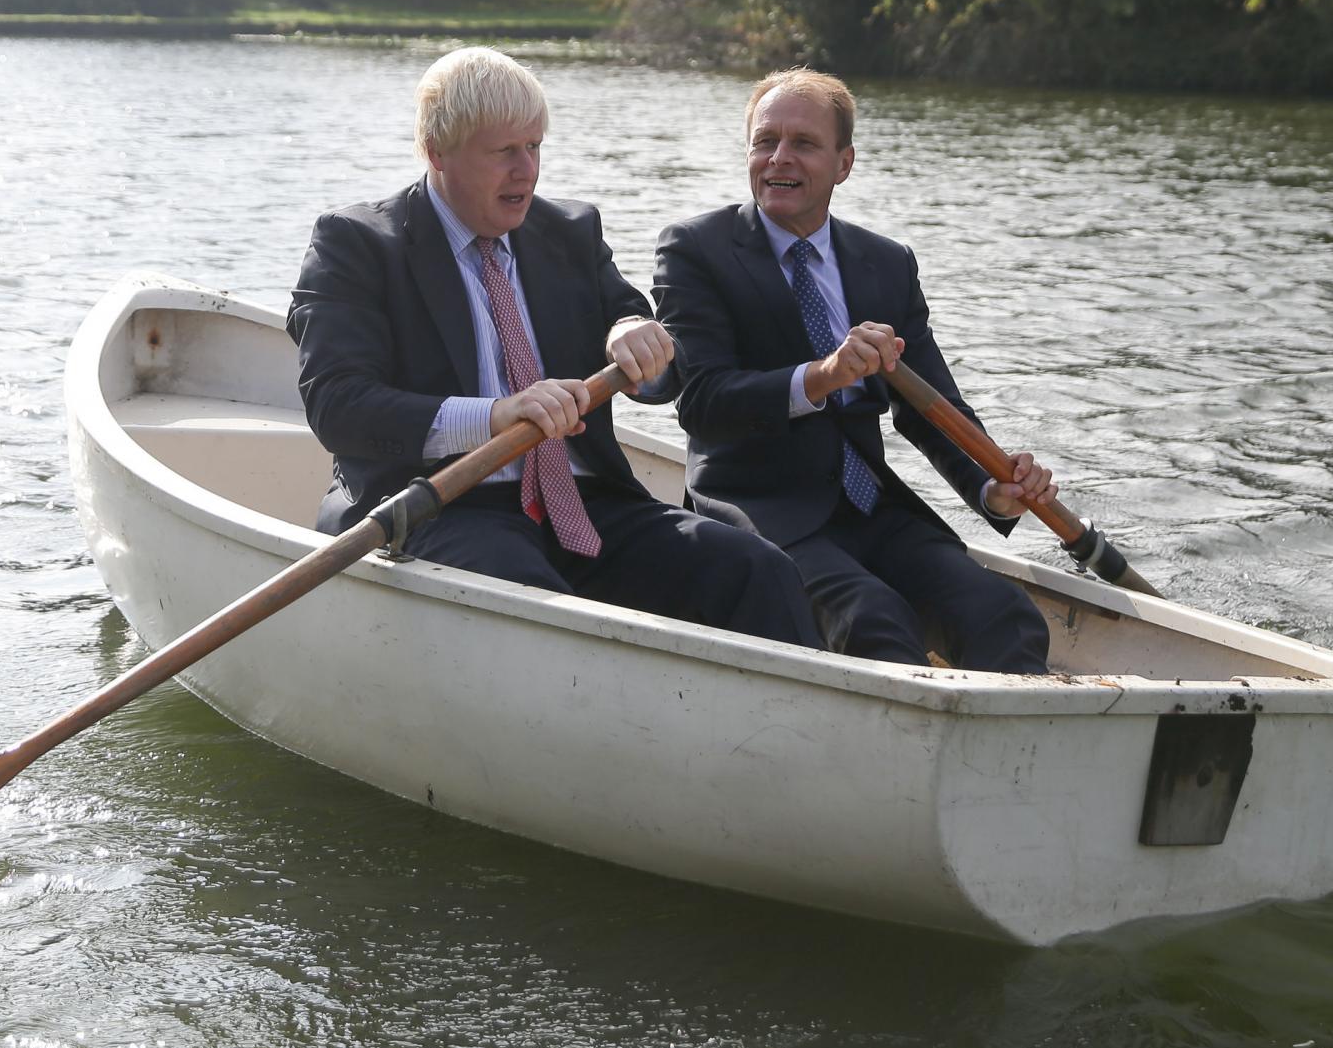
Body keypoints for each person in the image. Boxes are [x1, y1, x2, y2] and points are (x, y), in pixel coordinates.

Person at [288, 47, 824, 650]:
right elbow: (338, 406)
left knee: (758, 571)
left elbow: (651, 357)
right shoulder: (356, 244)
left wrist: (632, 337)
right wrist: (494, 416)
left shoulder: (571, 229)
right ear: (437, 151)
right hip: (436, 506)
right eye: (504, 153)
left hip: (586, 501)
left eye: (534, 147)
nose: (527, 172)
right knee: (540, 608)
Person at [652, 69, 1055, 673]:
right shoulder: (696, 249)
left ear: (844, 164)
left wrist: (992, 489)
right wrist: (823, 375)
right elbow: (702, 400)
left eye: (803, 144)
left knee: (1006, 615)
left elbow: (932, 407)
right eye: (766, 142)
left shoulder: (886, 264)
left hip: (871, 507)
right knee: (874, 621)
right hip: (760, 506)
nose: (778, 158)